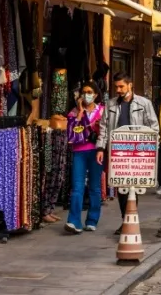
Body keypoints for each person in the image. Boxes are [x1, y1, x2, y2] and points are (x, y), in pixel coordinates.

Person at [95, 72, 159, 235]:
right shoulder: (110, 105)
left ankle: (130, 220)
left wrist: (151, 148)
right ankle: (126, 220)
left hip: (138, 151)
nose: (119, 89)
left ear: (130, 85)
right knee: (122, 188)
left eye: (121, 86)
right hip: (118, 152)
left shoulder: (144, 103)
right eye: (116, 86)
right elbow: (103, 127)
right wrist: (100, 148)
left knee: (134, 187)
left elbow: (154, 127)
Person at [65, 81, 104, 234]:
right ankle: (74, 221)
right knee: (77, 187)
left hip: (96, 151)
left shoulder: (102, 111)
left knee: (94, 187)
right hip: (79, 152)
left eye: (90, 92)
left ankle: (92, 220)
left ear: (95, 94)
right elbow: (72, 131)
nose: (87, 95)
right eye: (84, 92)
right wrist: (80, 112)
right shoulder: (74, 112)